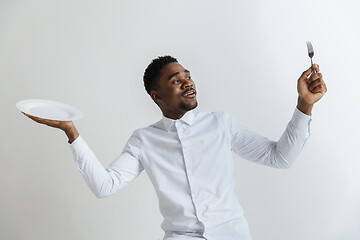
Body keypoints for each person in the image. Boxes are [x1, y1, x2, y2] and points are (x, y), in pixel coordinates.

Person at [24, 55, 327, 240]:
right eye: (175, 80)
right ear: (157, 96)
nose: (187, 82)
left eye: (188, 76)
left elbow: (280, 157)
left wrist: (304, 105)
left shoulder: (221, 124)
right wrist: (71, 131)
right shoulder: (144, 140)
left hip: (232, 235)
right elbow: (105, 186)